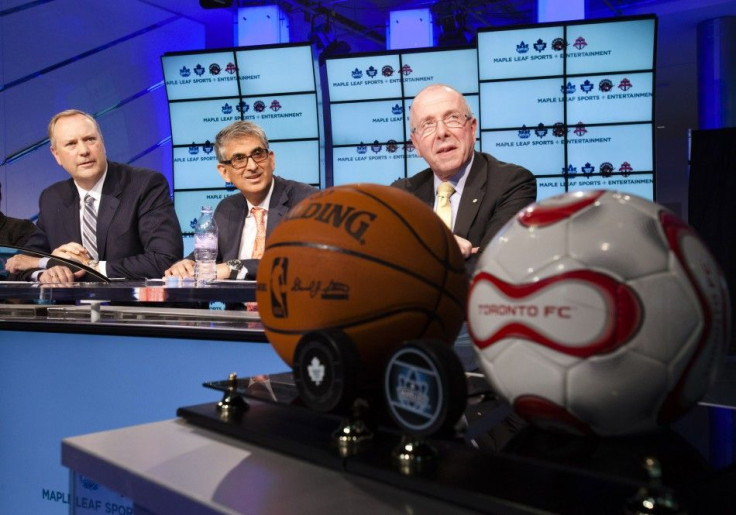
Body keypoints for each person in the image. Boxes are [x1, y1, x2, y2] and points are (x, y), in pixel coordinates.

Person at [7, 109, 182, 283]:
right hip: (72, 309)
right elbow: (20, 266)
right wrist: (46, 272)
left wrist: (89, 267)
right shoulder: (52, 199)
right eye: (71, 144)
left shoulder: (145, 185)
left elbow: (165, 259)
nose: (83, 150)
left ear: (102, 143)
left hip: (131, 307)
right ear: (56, 155)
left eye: (90, 139)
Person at [392, 84, 537, 276]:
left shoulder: (512, 183)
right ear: (416, 144)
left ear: (472, 128)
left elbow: (492, 270)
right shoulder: (402, 195)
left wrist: (416, 256)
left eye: (452, 118)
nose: (441, 132)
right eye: (427, 124)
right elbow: (383, 266)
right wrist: (446, 248)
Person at [164, 120, 317, 280]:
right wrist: (186, 265)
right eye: (239, 159)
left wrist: (232, 267)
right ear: (224, 172)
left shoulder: (305, 201)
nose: (252, 166)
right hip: (237, 306)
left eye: (258, 154)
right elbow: (206, 258)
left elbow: (299, 261)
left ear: (271, 160)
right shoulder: (227, 208)